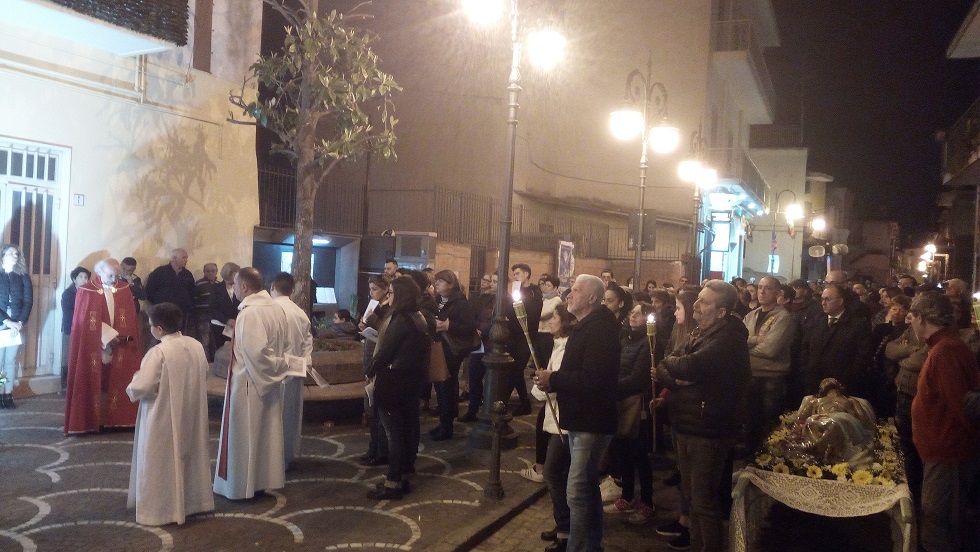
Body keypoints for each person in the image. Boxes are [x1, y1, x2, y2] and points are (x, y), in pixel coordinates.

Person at [656, 280, 750, 552]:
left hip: (708, 428)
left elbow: (687, 365)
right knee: (691, 496)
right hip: (687, 422)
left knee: (704, 501)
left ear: (721, 312)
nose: (696, 305)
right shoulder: (700, 331)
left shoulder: (728, 339)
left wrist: (676, 370)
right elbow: (667, 361)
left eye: (704, 302)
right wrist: (675, 375)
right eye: (698, 299)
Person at [535, 274, 620, 552]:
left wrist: (554, 380)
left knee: (577, 491)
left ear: (592, 298)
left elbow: (594, 378)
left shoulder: (600, 329)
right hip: (582, 418)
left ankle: (579, 547)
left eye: (575, 290)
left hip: (590, 420)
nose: (569, 295)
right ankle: (590, 546)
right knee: (586, 489)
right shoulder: (588, 326)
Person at [126, 302, 213, 526]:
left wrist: (134, 381)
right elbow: (204, 372)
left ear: (159, 329)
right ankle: (192, 502)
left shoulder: (158, 352)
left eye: (151, 324)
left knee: (160, 460)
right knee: (189, 455)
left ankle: (160, 510)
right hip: (191, 410)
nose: (150, 328)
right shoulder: (195, 345)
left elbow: (142, 387)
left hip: (162, 415)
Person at [909, 292, 980, 551]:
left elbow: (963, 408)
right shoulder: (943, 347)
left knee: (939, 525)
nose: (911, 323)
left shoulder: (946, 351)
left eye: (912, 317)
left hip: (949, 454)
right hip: (942, 451)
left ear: (922, 318)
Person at [213, 267, 289, 500]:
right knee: (263, 433)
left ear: (244, 287)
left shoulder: (250, 313)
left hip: (249, 383)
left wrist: (263, 376)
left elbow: (256, 353)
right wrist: (276, 372)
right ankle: (258, 481)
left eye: (235, 284)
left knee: (244, 434)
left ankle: (241, 486)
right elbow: (283, 347)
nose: (233, 288)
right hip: (266, 381)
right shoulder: (275, 309)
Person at [366, 275, 431, 499]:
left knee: (394, 433)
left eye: (391, 293)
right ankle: (404, 473)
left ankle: (392, 482)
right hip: (411, 379)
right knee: (408, 428)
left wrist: (370, 370)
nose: (389, 296)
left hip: (394, 380)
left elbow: (386, 351)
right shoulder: (418, 316)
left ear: (400, 295)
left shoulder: (401, 319)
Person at [64, 258, 142, 433]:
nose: (114, 279)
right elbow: (83, 322)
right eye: (110, 275)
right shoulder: (86, 290)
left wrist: (121, 335)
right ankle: (91, 421)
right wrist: (107, 335)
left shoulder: (123, 288)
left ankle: (117, 419)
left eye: (116, 275)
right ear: (99, 272)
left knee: (118, 379)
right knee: (92, 380)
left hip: (120, 345)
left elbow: (129, 318)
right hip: (94, 345)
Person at [604, 302, 655, 526]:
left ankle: (647, 502)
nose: (633, 317)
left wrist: (612, 387)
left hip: (636, 402)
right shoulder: (625, 338)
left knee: (639, 454)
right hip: (619, 398)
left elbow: (638, 376)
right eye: (632, 313)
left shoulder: (649, 342)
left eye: (638, 314)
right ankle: (626, 496)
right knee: (622, 448)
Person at [535, 303, 576, 546]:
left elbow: (558, 381)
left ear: (565, 322)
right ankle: (563, 525)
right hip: (557, 417)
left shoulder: (567, 348)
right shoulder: (558, 345)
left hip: (565, 420)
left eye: (554, 318)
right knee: (559, 473)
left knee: (552, 473)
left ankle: (566, 529)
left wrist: (545, 383)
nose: (550, 322)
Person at [742, 276, 798, 449]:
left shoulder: (784, 318)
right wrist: (755, 340)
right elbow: (738, 341)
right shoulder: (751, 315)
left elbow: (770, 350)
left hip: (770, 379)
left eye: (767, 288)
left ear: (777, 293)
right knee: (750, 423)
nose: (762, 292)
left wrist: (747, 345)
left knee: (768, 425)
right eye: (760, 288)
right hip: (750, 376)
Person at [270, 272, 313, 468]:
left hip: (275, 370)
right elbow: (307, 342)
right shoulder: (300, 312)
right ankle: (288, 455)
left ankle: (273, 457)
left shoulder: (270, 310)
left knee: (274, 416)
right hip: (296, 369)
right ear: (292, 290)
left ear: (272, 287)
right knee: (291, 415)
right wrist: (305, 362)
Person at [800, 284, 872, 397]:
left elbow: (862, 356)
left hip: (842, 385)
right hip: (814, 382)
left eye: (828, 299)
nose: (823, 303)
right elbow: (805, 347)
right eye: (822, 299)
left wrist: (847, 376)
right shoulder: (816, 322)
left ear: (840, 301)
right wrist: (807, 369)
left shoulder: (857, 325)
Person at [430, 269, 477, 441]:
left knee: (447, 387)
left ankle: (447, 427)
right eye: (436, 281)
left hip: (451, 349)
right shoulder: (438, 300)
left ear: (450, 284)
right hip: (439, 347)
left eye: (441, 281)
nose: (437, 284)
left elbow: (469, 327)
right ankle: (443, 422)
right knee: (441, 387)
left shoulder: (460, 302)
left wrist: (449, 326)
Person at [359, 275, 392, 466]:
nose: (371, 293)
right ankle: (374, 447)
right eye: (370, 289)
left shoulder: (389, 309)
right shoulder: (375, 306)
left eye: (374, 289)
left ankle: (381, 451)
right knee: (370, 406)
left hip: (379, 356)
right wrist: (363, 325)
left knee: (377, 406)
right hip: (370, 352)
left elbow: (387, 333)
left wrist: (373, 324)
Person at [505, 263, 542, 416]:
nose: (515, 276)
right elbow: (510, 310)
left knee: (517, 369)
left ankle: (522, 402)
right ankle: (509, 400)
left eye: (518, 273)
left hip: (526, 336)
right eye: (513, 274)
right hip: (513, 335)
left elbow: (531, 314)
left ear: (527, 274)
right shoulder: (516, 291)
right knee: (512, 369)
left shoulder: (533, 292)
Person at [0, 244, 32, 408]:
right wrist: (7, 322)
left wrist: (19, 322)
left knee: (10, 362)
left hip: (15, 326)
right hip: (2, 324)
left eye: (16, 253)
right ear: (2, 255)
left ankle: (8, 394)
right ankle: (0, 392)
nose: (15, 255)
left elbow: (28, 301)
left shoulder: (23, 276)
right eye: (11, 253)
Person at [145, 248, 195, 325]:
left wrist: (188, 305)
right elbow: (149, 291)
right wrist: (158, 304)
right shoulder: (160, 272)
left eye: (186, 258)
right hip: (162, 313)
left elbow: (192, 292)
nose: (186, 260)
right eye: (183, 257)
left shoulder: (187, 274)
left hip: (181, 313)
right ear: (174, 258)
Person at [61, 266, 91, 393]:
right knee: (68, 356)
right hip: (71, 329)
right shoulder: (69, 293)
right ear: (74, 279)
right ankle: (65, 386)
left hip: (86, 329)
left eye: (86, 277)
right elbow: (70, 312)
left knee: (82, 357)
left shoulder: (90, 293)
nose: (84, 279)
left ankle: (80, 385)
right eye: (80, 277)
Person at [209, 262, 241, 354]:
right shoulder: (216, 288)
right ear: (230, 273)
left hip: (236, 324)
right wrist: (227, 320)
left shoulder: (239, 287)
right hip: (220, 325)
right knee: (221, 351)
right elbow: (212, 309)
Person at [193, 262, 218, 356]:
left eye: (213, 271)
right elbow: (194, 301)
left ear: (216, 272)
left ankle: (214, 362)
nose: (210, 273)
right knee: (204, 342)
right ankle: (205, 363)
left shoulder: (219, 284)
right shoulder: (198, 284)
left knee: (215, 341)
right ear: (204, 272)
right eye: (208, 271)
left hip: (216, 318)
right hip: (202, 317)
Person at [537, 274, 563, 366]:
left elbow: (546, 313)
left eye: (549, 286)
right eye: (545, 285)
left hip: (548, 333)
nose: (546, 288)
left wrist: (534, 315)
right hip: (539, 331)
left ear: (555, 287)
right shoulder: (544, 299)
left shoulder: (556, 300)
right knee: (538, 357)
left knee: (546, 357)